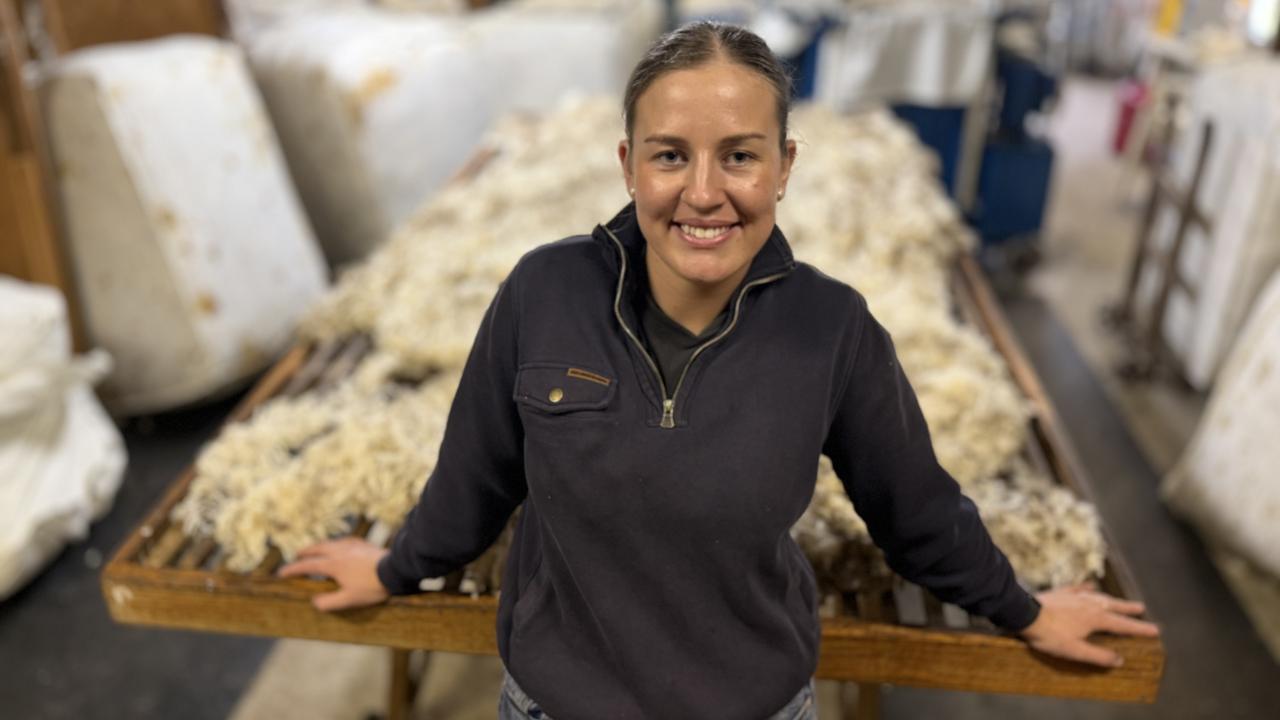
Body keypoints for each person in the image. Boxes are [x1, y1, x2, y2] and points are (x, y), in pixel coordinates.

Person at [279, 22, 1160, 720]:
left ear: (784, 168)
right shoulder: (545, 293)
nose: (704, 192)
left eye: (739, 155)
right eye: (670, 155)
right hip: (554, 705)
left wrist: (1026, 609)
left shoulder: (833, 330)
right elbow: (474, 474)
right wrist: (394, 568)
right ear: (628, 165)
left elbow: (917, 511)